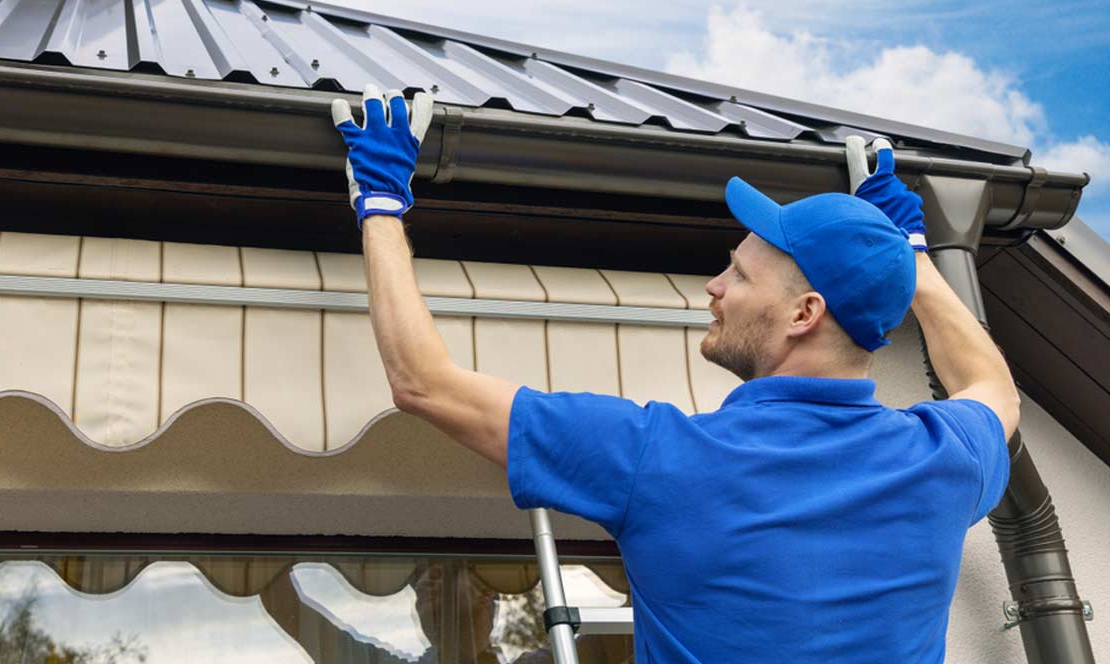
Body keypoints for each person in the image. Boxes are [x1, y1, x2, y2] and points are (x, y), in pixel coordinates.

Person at [330, 85, 1016, 663]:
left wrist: (382, 205)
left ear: (805, 313)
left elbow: (423, 381)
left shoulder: (661, 460)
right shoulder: (940, 460)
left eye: (740, 274)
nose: (715, 286)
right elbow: (992, 386)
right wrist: (910, 260)